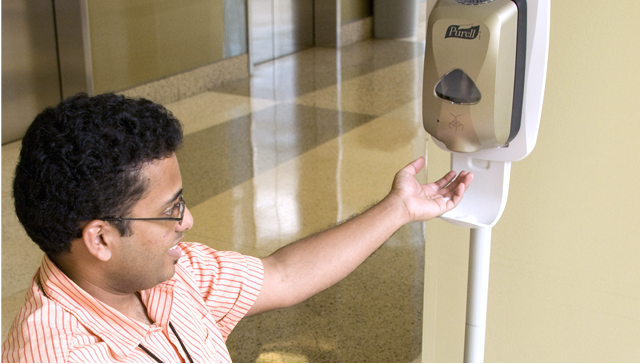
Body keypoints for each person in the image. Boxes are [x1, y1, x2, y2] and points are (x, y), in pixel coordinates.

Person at [2, 93, 473, 362]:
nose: (187, 222)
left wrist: (399, 209)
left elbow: (282, 275)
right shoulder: (61, 354)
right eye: (171, 210)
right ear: (100, 238)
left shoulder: (163, 274)